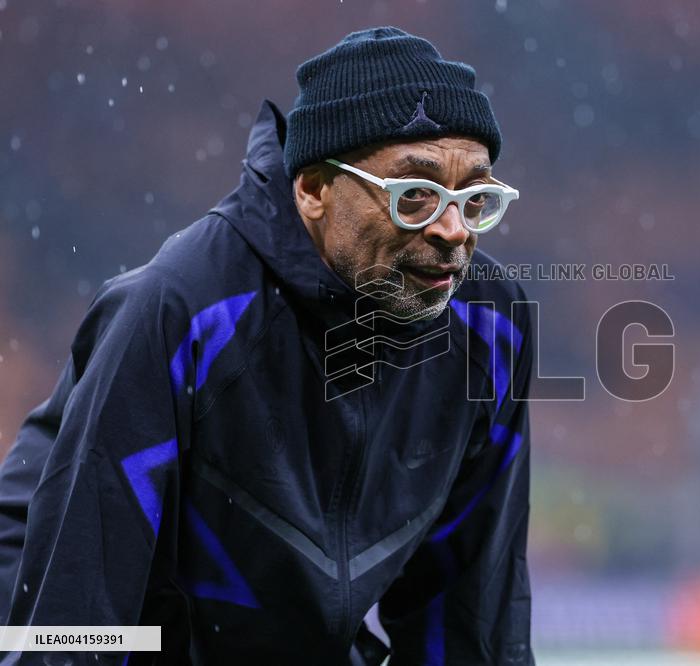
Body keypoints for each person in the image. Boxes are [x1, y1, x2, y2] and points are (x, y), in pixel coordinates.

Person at [0, 26, 534, 665]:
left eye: (474, 198)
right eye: (413, 196)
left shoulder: (492, 326)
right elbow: (72, 615)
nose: (453, 230)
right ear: (312, 190)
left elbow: (470, 623)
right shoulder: (180, 309)